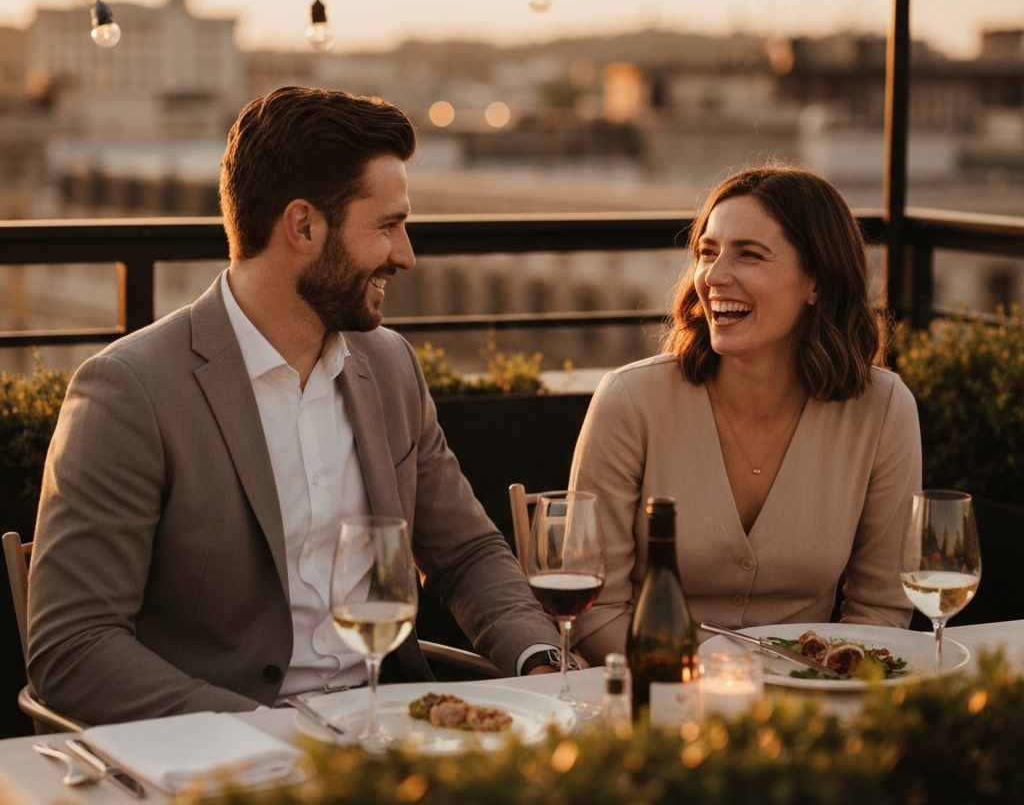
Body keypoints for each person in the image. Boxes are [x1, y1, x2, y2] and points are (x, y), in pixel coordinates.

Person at [28, 86, 565, 724]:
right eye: (388, 226)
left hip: (392, 734)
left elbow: (466, 554)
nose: (406, 255)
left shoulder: (389, 366)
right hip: (227, 759)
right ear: (304, 226)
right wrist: (267, 735)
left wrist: (540, 662)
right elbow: (73, 646)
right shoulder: (130, 392)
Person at [569, 163, 922, 665]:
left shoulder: (884, 409)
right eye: (707, 253)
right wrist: (700, 687)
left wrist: (813, 688)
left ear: (816, 282)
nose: (713, 276)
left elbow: (882, 608)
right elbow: (597, 609)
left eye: (750, 255)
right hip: (656, 695)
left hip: (814, 701)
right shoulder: (630, 401)